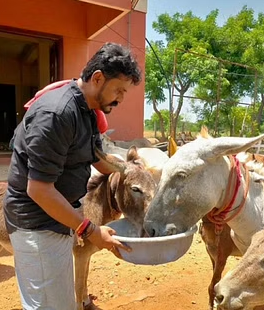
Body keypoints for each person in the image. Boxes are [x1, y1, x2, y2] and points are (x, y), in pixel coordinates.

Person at [4, 42, 141, 310]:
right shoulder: (57, 114)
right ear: (98, 78)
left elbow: (98, 159)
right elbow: (39, 190)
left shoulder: (87, 111)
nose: (121, 99)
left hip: (56, 220)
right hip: (37, 224)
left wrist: (129, 168)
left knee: (59, 301)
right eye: (119, 90)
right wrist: (89, 230)